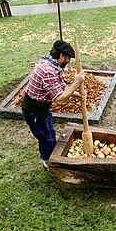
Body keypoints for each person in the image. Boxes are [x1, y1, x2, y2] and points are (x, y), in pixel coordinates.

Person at [21, 40, 85, 170]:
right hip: (34, 111)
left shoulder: (52, 64)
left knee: (50, 132)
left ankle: (53, 157)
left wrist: (75, 93)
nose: (69, 61)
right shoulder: (48, 71)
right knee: (46, 138)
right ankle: (48, 163)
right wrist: (76, 83)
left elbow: (60, 87)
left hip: (42, 109)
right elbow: (59, 99)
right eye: (68, 58)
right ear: (61, 56)